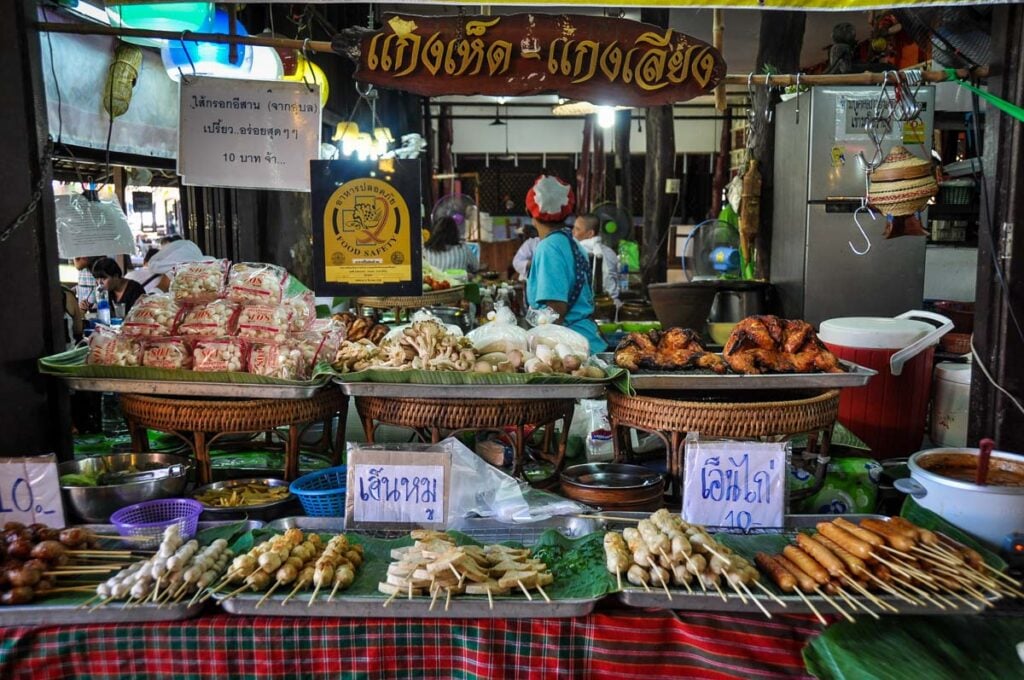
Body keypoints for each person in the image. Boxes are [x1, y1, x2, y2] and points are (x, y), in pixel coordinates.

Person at [523, 175, 606, 353]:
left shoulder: (548, 248)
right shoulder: (572, 243)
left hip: (570, 348)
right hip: (586, 338)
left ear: (530, 212)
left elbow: (556, 311)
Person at [572, 214, 621, 300]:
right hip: (613, 303)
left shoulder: (575, 252)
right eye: (574, 227)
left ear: (590, 233)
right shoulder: (610, 253)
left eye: (577, 229)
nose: (573, 232)